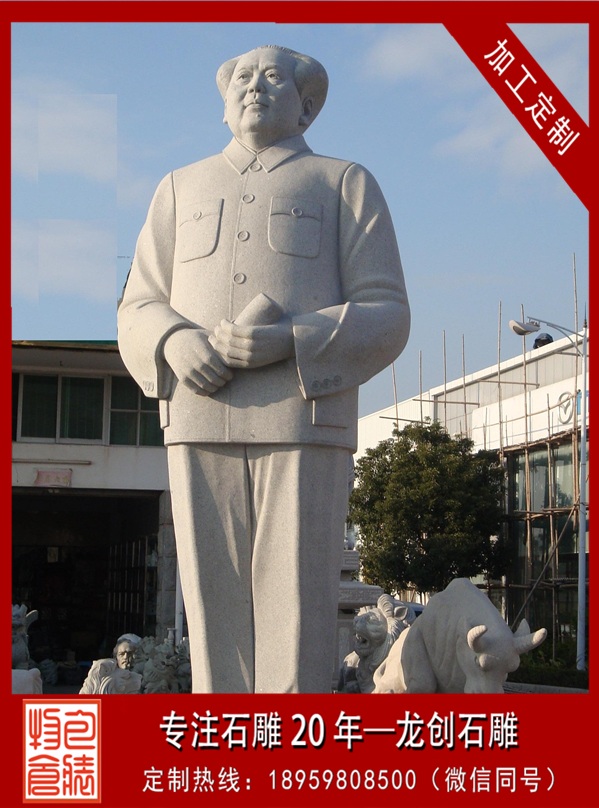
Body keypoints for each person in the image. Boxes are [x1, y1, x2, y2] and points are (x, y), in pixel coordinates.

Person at [117, 45, 410, 693]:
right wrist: (171, 340)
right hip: (197, 411)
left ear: (306, 108)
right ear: (223, 108)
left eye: (274, 77)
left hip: (303, 415)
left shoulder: (342, 182)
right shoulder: (179, 188)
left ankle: (290, 740)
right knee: (211, 599)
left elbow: (387, 311)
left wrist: (293, 340)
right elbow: (138, 303)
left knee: (296, 598)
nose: (255, 87)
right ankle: (223, 734)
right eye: (243, 79)